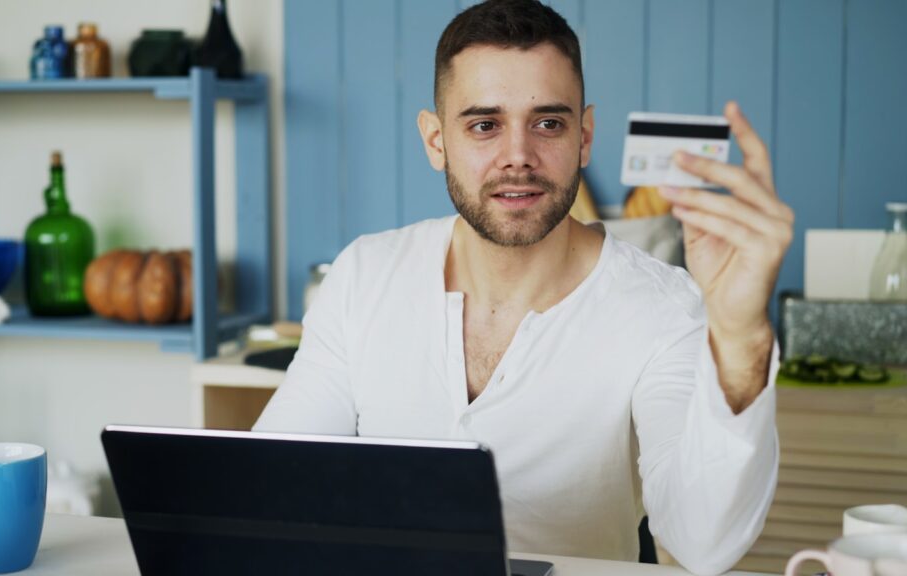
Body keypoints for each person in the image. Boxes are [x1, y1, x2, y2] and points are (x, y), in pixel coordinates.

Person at [255, 1, 794, 574]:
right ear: (436, 140)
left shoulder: (665, 308)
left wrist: (740, 334)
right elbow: (267, 488)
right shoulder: (364, 276)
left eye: (548, 124)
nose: (518, 157)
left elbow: (705, 543)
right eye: (484, 125)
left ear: (584, 136)